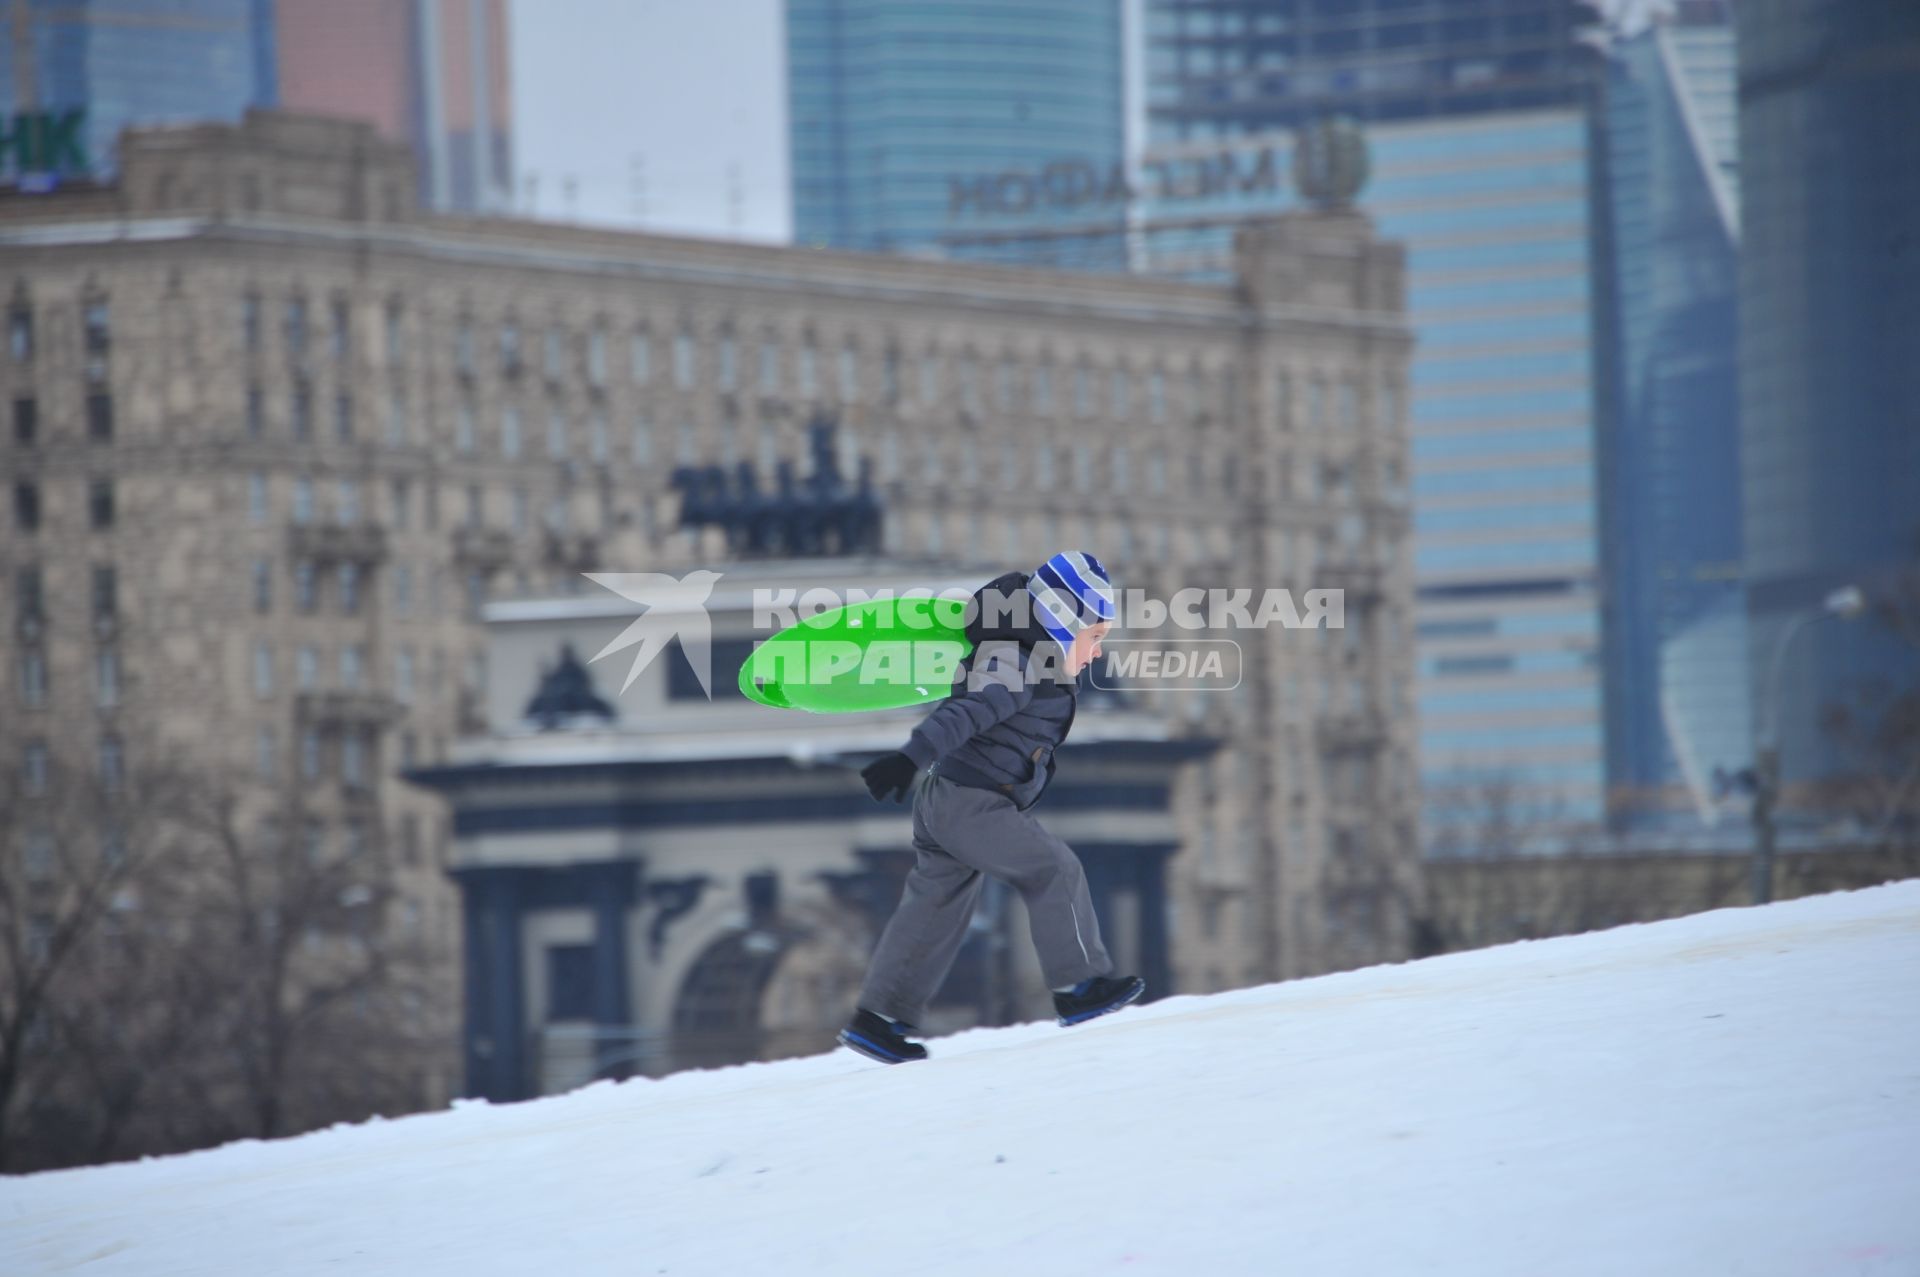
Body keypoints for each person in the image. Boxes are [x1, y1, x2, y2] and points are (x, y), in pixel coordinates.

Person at [838, 551, 1146, 1065]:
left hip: (952, 799)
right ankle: (1078, 986)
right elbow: (970, 710)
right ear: (1065, 620)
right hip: (972, 803)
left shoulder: (1029, 650)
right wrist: (910, 755)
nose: (1096, 653)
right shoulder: (1016, 657)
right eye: (1095, 637)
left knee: (933, 907)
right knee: (1053, 868)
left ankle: (877, 1019)